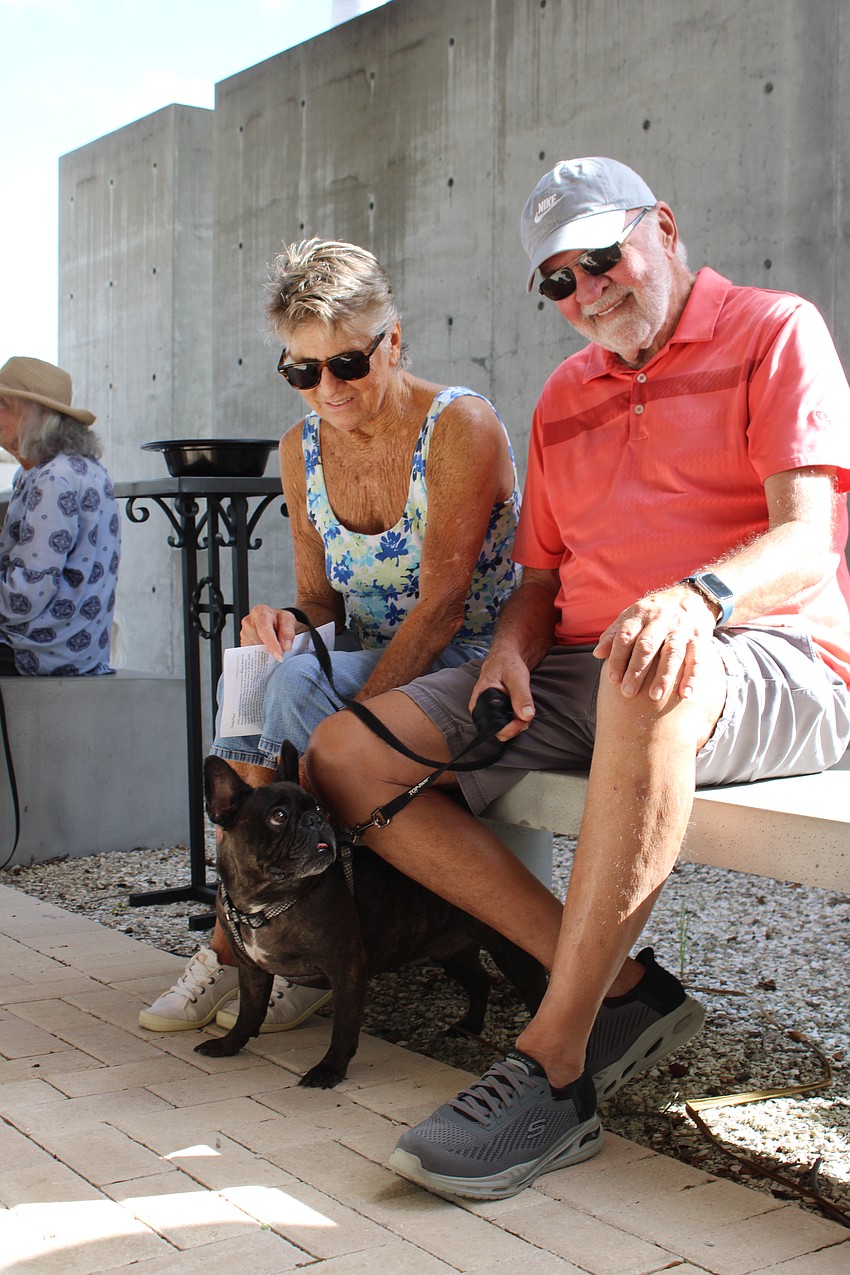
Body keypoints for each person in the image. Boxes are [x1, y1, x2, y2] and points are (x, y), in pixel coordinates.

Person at [303, 157, 850, 1200]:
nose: (586, 290)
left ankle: (554, 1065)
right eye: (557, 280)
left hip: (772, 655)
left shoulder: (776, 331)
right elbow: (540, 581)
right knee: (345, 754)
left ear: (665, 227)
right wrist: (509, 647)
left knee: (649, 669)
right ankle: (627, 992)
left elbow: (804, 542)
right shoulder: (562, 396)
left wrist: (690, 597)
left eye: (601, 258)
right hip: (587, 668)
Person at [139, 237, 522, 1034]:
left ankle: (274, 940)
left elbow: (445, 606)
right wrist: (285, 621)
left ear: (395, 340)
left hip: (465, 658)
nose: (327, 388)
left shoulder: (460, 427)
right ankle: (253, 934)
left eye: (347, 363)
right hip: (374, 657)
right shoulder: (298, 449)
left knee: (295, 688)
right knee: (250, 670)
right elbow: (321, 599)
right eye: (302, 370)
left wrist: (347, 729)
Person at [0, 357, 119, 676]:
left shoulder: (54, 478)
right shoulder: (81, 469)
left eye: (3, 404)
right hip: (77, 647)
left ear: (36, 416)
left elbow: (25, 598)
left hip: (41, 649)